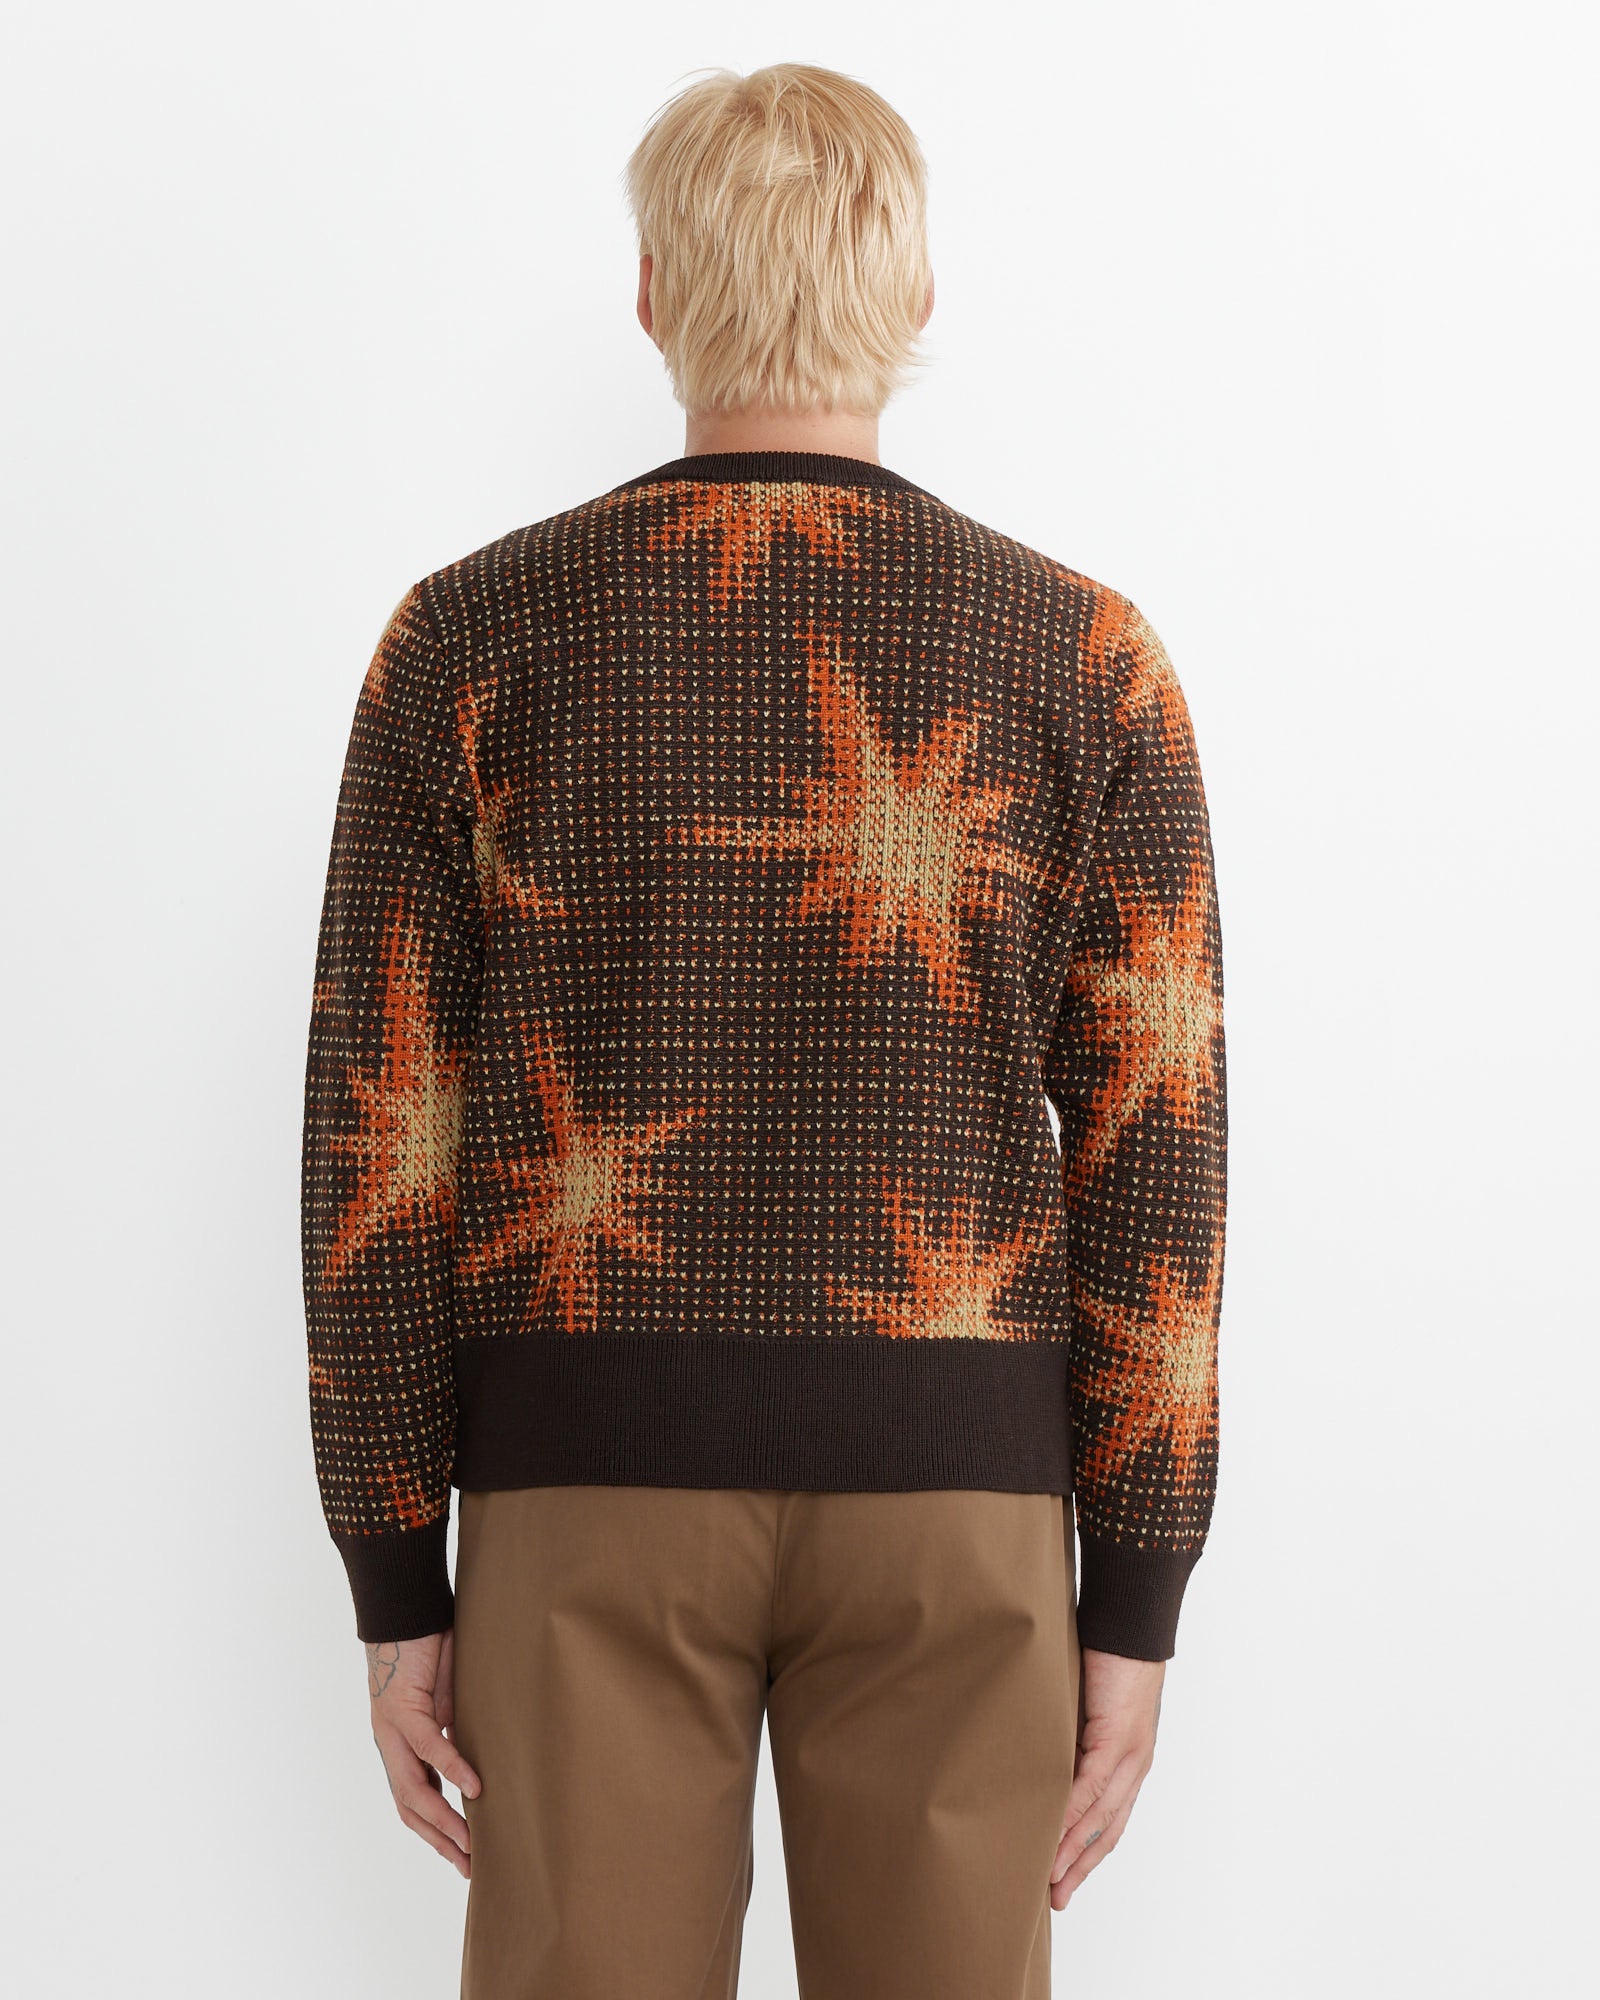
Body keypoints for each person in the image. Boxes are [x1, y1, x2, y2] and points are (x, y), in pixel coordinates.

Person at [300, 60, 1227, 2000]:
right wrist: (1136, 1588)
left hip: (583, 1491)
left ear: (652, 291)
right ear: (914, 293)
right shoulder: (1086, 662)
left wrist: (395, 1564)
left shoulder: (465, 641)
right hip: (957, 1503)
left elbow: (381, 1134)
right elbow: (1159, 1151)